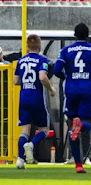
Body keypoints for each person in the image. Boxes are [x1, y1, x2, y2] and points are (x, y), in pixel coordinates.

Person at [53, 23, 91, 173]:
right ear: (87, 35)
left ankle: (78, 165)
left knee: (71, 127)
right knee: (87, 122)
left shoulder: (65, 50)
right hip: (87, 88)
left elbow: (56, 70)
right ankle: (80, 126)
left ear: (74, 35)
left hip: (71, 89)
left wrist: (66, 77)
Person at [14, 34, 56, 169]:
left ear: (26, 46)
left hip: (24, 97)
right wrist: (51, 89)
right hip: (37, 97)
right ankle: (31, 145)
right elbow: (43, 77)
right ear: (39, 46)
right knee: (44, 129)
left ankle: (20, 160)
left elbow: (15, 81)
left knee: (24, 130)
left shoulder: (20, 61)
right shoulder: (42, 60)